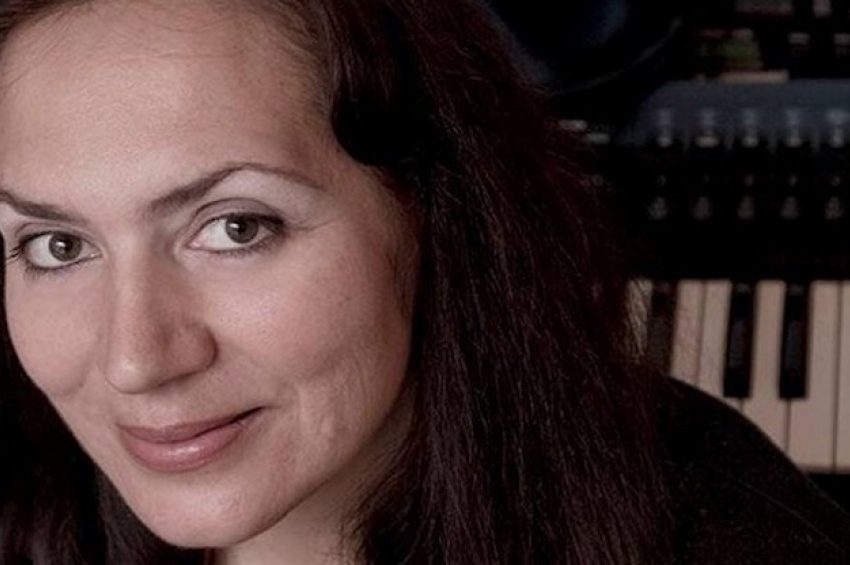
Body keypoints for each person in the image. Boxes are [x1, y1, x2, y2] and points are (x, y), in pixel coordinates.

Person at [0, 1, 847, 564]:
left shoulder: (735, 533)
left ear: (435, 211)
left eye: (237, 227)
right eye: (56, 245)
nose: (136, 361)